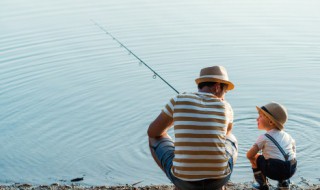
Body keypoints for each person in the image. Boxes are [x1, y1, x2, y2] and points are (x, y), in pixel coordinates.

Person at [147, 66, 238, 190]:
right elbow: (226, 135)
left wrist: (176, 119)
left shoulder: (178, 100)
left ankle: (179, 184)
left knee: (154, 138)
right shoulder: (226, 107)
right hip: (218, 180)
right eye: (225, 91)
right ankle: (219, 187)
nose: (224, 96)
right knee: (231, 138)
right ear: (217, 87)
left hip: (183, 181)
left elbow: (152, 132)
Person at [246, 102, 297, 190]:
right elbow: (293, 151)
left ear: (270, 121)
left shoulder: (264, 137)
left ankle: (262, 184)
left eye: (260, 116)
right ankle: (284, 184)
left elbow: (249, 155)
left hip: (275, 170)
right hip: (292, 168)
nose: (257, 119)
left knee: (255, 157)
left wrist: (257, 158)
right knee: (284, 158)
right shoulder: (288, 136)